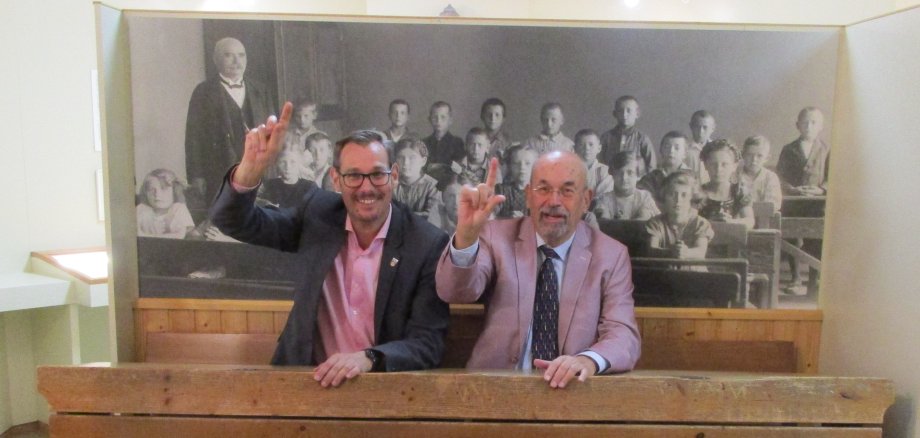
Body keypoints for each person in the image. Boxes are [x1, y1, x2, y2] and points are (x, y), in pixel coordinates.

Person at [209, 103, 450, 387]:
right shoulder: (318, 214)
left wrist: (369, 358)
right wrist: (251, 169)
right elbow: (233, 222)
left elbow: (427, 344)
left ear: (393, 176)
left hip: (382, 391)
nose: (366, 187)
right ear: (335, 179)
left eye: (377, 174)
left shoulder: (426, 243)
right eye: (353, 176)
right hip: (305, 384)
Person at [436, 151, 640, 389]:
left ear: (586, 199)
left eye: (567, 191)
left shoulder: (611, 255)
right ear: (527, 197)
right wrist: (466, 237)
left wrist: (587, 360)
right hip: (494, 393)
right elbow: (455, 292)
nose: (553, 201)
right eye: (543, 189)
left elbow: (623, 334)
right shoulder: (495, 237)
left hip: (572, 395)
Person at [184, 37, 275, 203]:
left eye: (241, 55)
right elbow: (193, 137)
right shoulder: (203, 92)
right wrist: (196, 176)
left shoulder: (261, 90)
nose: (237, 62)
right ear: (216, 60)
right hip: (219, 170)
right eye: (229, 56)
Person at [645, 171, 713, 260]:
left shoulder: (700, 224)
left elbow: (700, 252)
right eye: (672, 194)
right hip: (665, 272)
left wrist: (686, 253)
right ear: (664, 196)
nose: (678, 200)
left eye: (684, 195)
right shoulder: (655, 224)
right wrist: (670, 252)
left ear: (692, 198)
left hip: (695, 273)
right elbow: (651, 250)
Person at [698, 139, 755, 229]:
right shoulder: (698, 192)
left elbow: (749, 221)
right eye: (713, 164)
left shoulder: (739, 191)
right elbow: (689, 221)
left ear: (734, 166)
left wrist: (731, 222)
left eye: (724, 164)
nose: (718, 169)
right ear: (705, 165)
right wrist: (710, 222)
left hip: (733, 239)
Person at [777, 107, 830, 197]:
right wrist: (791, 189)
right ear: (798, 125)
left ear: (821, 126)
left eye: (813, 123)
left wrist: (821, 190)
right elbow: (779, 176)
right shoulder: (788, 149)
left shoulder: (827, 149)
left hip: (818, 201)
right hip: (793, 199)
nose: (808, 127)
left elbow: (832, 176)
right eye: (805, 122)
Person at [593, 151, 660, 221]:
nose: (624, 178)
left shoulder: (644, 197)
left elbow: (642, 223)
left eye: (630, 173)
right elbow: (604, 224)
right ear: (613, 175)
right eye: (619, 173)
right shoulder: (604, 199)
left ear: (639, 176)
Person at [599, 95, 656, 177]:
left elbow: (651, 166)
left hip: (635, 183)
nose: (624, 114)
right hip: (610, 181)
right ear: (614, 114)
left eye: (629, 111)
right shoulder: (606, 138)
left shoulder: (642, 139)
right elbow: (599, 161)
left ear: (637, 114)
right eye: (620, 111)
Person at [638, 131, 692, 208]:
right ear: (661, 150)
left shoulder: (692, 177)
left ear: (685, 153)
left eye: (677, 148)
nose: (671, 151)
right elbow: (643, 200)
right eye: (667, 147)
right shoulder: (651, 178)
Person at [136, 168, 195, 239]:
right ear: (145, 193)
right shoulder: (141, 209)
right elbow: (133, 234)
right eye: (151, 190)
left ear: (174, 191)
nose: (157, 194)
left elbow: (179, 235)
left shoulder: (178, 209)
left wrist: (149, 236)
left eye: (163, 189)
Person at [393, 138, 440, 219]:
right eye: (401, 157)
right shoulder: (391, 184)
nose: (405, 163)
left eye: (412, 158)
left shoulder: (432, 186)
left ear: (423, 161)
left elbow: (431, 216)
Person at [737, 135, 782, 214]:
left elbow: (772, 205)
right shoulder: (734, 175)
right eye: (749, 155)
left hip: (764, 220)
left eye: (759, 156)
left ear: (767, 158)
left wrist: (745, 207)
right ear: (742, 155)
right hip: (739, 219)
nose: (754, 160)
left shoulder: (770, 177)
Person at [495, 144, 537, 218]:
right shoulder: (501, 190)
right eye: (516, 163)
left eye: (527, 163)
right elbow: (490, 217)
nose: (522, 168)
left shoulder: (541, 192)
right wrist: (506, 218)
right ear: (510, 166)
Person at [423, 101, 465, 167]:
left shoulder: (457, 143)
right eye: (434, 117)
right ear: (429, 119)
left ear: (450, 120)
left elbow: (458, 167)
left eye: (443, 117)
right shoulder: (424, 143)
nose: (438, 121)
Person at [574, 129, 615, 196]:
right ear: (574, 148)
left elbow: (604, 197)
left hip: (598, 205)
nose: (587, 148)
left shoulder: (604, 171)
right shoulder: (568, 170)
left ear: (599, 148)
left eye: (591, 144)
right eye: (581, 144)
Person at [687, 110, 715, 183]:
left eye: (705, 127)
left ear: (713, 128)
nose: (701, 131)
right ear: (691, 126)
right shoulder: (684, 149)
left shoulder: (717, 149)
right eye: (697, 127)